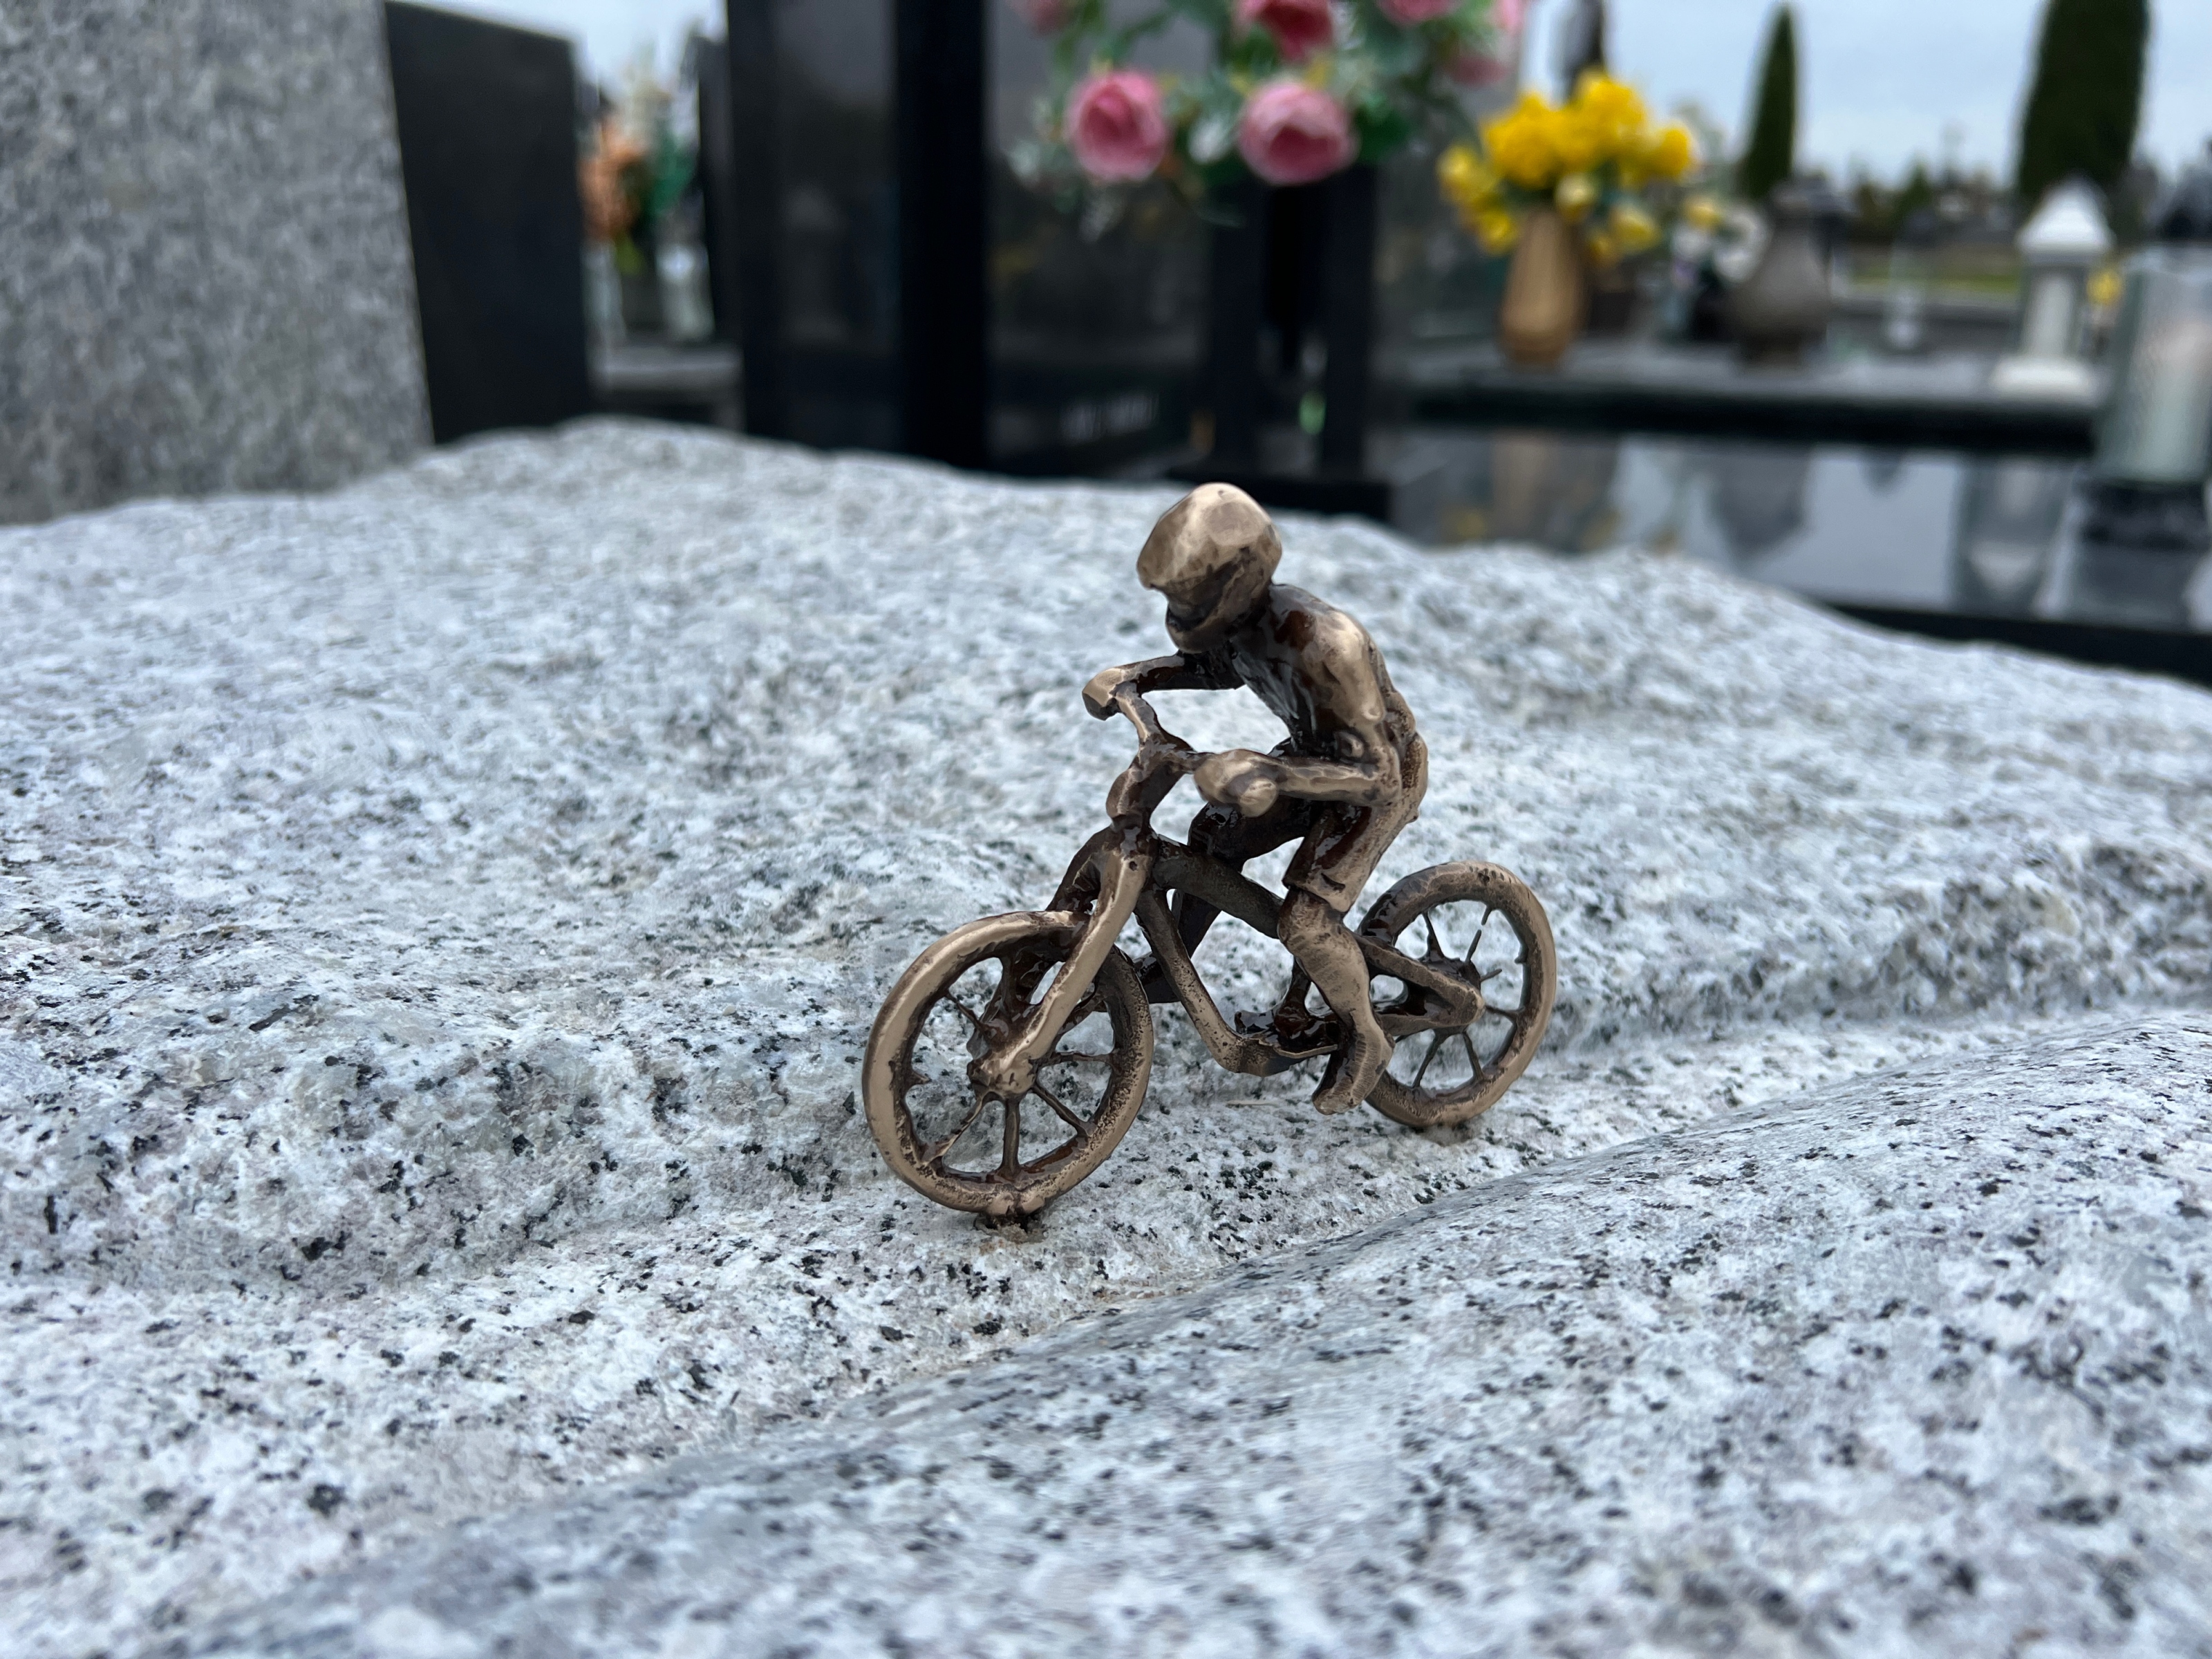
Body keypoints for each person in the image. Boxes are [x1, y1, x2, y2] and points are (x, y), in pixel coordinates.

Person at [1082, 483, 1427, 1114]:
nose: (1179, 612)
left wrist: (1270, 772)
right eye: (1173, 599)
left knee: (1305, 923)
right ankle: (1170, 967)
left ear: (1236, 583)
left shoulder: (1326, 645)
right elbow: (1216, 669)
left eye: (1189, 598)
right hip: (1308, 758)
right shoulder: (1244, 627)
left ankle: (1367, 1038)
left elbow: (1378, 777)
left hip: (1375, 775)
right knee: (1213, 834)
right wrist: (1137, 677)